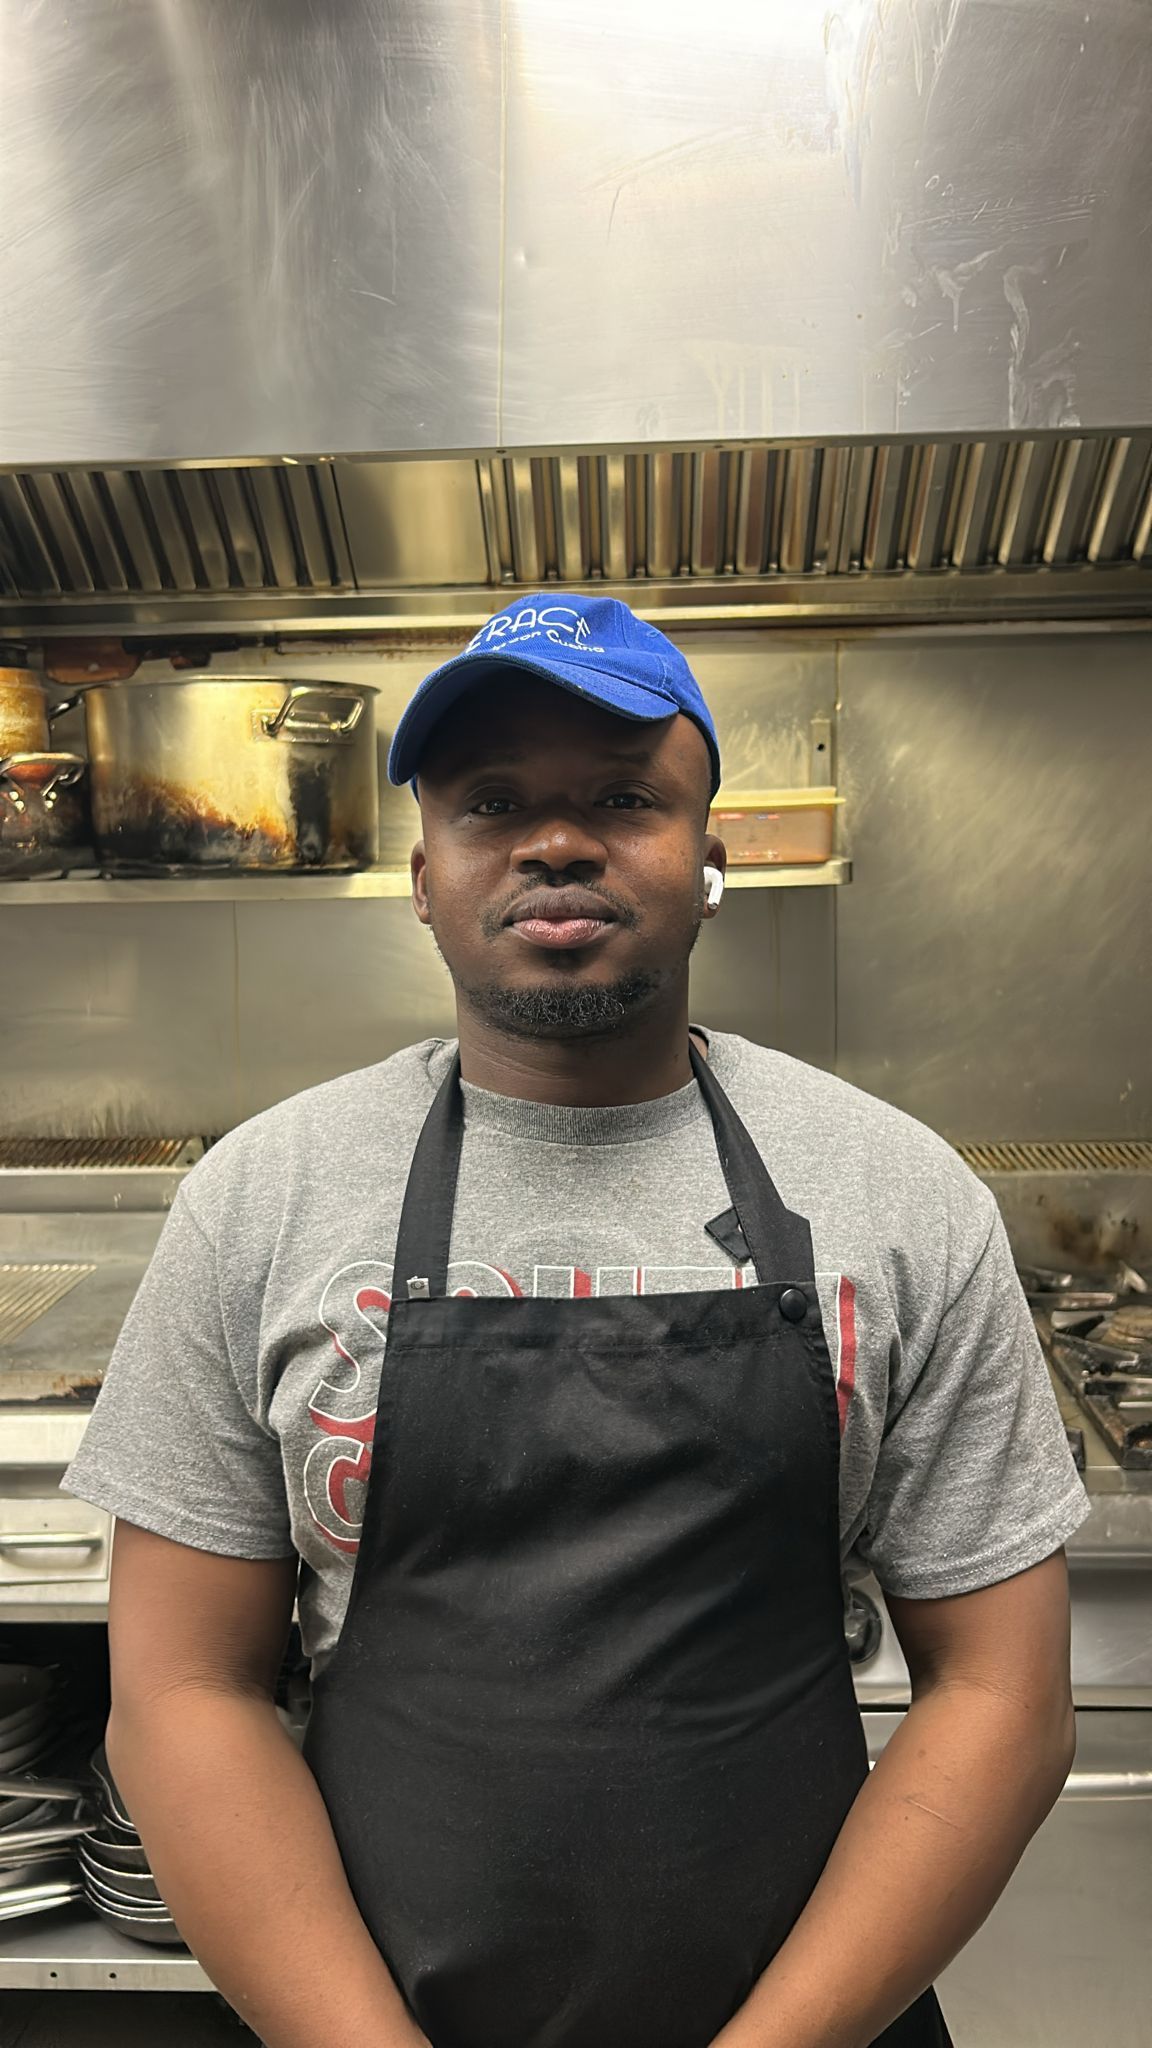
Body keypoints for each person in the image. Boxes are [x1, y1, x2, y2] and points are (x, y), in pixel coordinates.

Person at [65, 593, 1088, 2048]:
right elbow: (180, 1691)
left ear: (709, 857)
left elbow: (1003, 1693)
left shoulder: (897, 1190)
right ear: (425, 872)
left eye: (623, 798)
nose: (557, 841)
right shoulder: (262, 1198)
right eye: (494, 804)